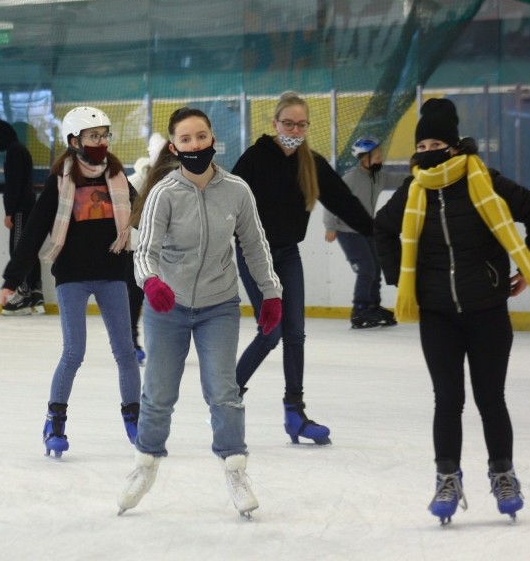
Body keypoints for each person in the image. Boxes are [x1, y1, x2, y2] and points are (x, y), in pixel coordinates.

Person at [373, 98, 530, 524]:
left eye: (437, 142)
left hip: (487, 308)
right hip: (437, 314)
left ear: (454, 147)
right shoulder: (414, 190)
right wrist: (403, 282)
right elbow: (382, 228)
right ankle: (447, 478)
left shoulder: (484, 181)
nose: (428, 150)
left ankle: (503, 473)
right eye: (423, 143)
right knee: (448, 399)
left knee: (491, 399)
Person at [116, 107, 282, 518]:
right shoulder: (163, 193)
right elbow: (145, 252)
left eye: (201, 137)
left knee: (223, 391)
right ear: (175, 147)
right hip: (167, 306)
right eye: (186, 140)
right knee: (158, 394)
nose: (195, 145)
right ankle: (145, 464)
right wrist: (151, 282)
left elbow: (256, 246)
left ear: (212, 141)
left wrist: (271, 293)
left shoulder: (237, 190)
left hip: (219, 306)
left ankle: (234, 466)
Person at [0, 106, 141, 458]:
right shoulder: (60, 181)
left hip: (112, 274)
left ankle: (136, 419)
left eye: (105, 135)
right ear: (75, 140)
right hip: (72, 277)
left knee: (125, 352)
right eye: (94, 136)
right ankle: (55, 421)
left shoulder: (119, 176)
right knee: (74, 352)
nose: (101, 142)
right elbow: (32, 233)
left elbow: (143, 217)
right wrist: (12, 278)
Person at [232, 91, 374, 445]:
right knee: (271, 333)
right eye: (287, 123)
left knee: (295, 333)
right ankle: (226, 399)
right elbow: (227, 203)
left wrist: (382, 237)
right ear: (274, 123)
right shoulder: (254, 159)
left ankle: (295, 413)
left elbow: (345, 202)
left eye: (300, 124)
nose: (293, 130)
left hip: (288, 254)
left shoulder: (311, 163)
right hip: (254, 254)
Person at [324, 137, 403, 329]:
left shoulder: (380, 177)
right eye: (376, 156)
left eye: (380, 156)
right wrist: (330, 226)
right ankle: (359, 310)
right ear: (364, 158)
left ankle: (373, 306)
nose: (380, 159)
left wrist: (421, 172)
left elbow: (402, 178)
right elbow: (332, 199)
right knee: (366, 269)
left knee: (375, 269)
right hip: (347, 231)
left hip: (367, 230)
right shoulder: (350, 178)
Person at [0, 119, 43, 315]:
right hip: (26, 206)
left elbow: (15, 186)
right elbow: (15, 182)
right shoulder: (19, 149)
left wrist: (9, 211)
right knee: (28, 250)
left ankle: (23, 293)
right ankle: (35, 292)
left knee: (19, 251)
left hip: (20, 210)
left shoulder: (14, 152)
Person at [126, 132, 169, 365]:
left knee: (161, 297)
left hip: (163, 250)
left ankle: (164, 342)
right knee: (134, 297)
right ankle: (131, 341)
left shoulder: (174, 180)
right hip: (134, 249)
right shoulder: (134, 182)